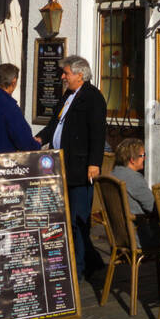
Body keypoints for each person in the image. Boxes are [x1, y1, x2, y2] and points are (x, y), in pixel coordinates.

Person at [37, 56, 107, 281]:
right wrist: (39, 139)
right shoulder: (68, 95)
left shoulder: (92, 97)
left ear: (79, 74)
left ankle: (78, 268)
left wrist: (94, 163)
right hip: (61, 165)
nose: (63, 77)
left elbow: (98, 133)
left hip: (79, 168)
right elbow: (54, 124)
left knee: (79, 219)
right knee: (65, 218)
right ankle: (89, 260)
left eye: (66, 73)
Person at [112, 138, 160, 249]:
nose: (144, 158)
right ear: (132, 160)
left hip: (118, 235)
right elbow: (154, 207)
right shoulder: (134, 179)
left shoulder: (113, 174)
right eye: (142, 155)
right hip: (139, 236)